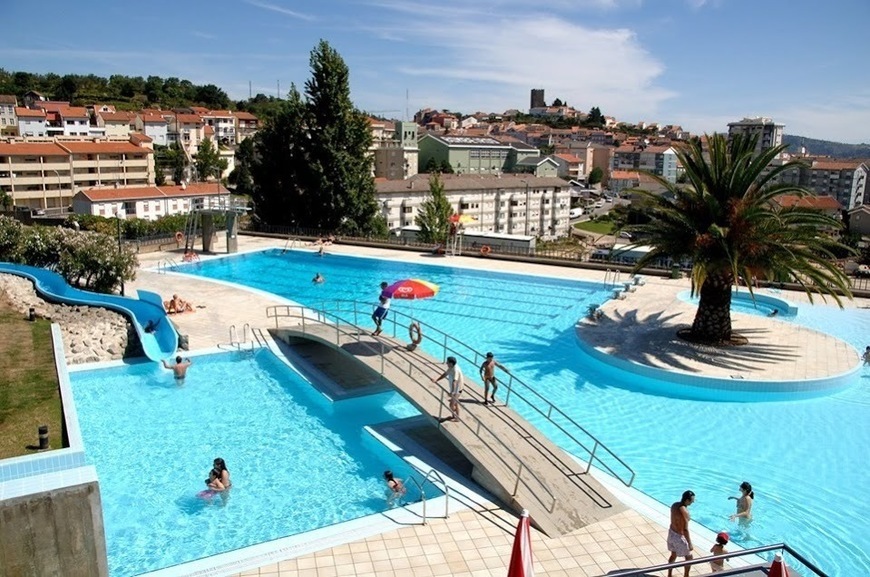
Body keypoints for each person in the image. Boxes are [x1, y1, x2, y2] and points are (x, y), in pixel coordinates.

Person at [666, 490, 695, 577]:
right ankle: (686, 575)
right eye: (692, 500)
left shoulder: (674, 505)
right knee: (689, 557)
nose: (693, 502)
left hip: (671, 533)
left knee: (673, 555)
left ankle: (669, 575)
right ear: (687, 500)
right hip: (679, 536)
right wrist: (689, 543)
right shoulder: (685, 512)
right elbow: (685, 529)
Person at [433, 356, 464, 421]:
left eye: (448, 362)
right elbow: (445, 374)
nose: (446, 363)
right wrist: (437, 380)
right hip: (455, 389)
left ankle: (456, 417)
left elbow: (454, 381)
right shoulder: (451, 367)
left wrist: (452, 392)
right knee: (455, 403)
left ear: (451, 363)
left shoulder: (456, 370)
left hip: (457, 390)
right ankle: (455, 416)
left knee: (451, 405)